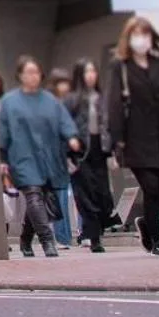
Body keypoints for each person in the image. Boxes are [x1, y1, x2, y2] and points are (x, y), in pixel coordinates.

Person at [107, 15, 159, 256]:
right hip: (135, 138)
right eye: (136, 35)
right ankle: (157, 240)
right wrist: (117, 140)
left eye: (145, 35)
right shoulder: (120, 67)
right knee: (152, 189)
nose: (141, 40)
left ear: (151, 37)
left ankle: (145, 223)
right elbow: (113, 105)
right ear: (128, 38)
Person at [0, 55, 79, 259]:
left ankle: (26, 239)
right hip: (21, 157)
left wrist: (71, 138)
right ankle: (47, 240)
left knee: (39, 198)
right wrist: (2, 159)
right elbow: (3, 132)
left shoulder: (50, 100)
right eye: (28, 72)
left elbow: (63, 122)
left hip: (47, 157)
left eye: (36, 72)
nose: (33, 76)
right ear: (20, 75)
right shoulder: (10, 102)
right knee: (33, 194)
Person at [67, 59, 113, 254]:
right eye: (86, 71)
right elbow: (64, 124)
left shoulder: (103, 98)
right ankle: (94, 238)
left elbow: (111, 125)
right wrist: (71, 140)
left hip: (100, 149)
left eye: (93, 70)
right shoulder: (72, 100)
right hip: (81, 152)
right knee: (87, 194)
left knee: (103, 193)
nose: (91, 75)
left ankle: (94, 230)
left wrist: (114, 151)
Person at [46, 72, 76, 244]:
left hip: (70, 153)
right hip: (55, 155)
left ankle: (73, 235)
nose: (65, 87)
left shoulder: (72, 103)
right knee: (59, 195)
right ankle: (62, 237)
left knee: (73, 195)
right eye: (61, 83)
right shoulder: (51, 104)